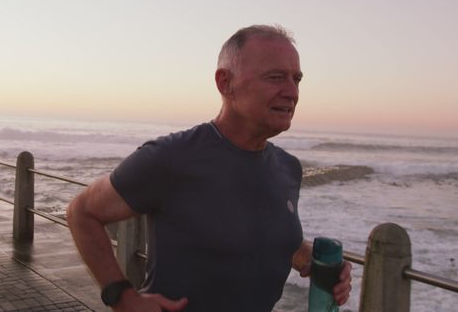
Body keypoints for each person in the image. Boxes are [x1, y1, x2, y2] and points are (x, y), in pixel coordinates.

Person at [67, 24, 352, 312]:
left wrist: (315, 263)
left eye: (297, 79)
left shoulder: (288, 168)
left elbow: (267, 241)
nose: (292, 92)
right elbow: (82, 211)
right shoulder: (172, 157)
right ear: (225, 83)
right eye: (276, 77)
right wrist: (122, 297)